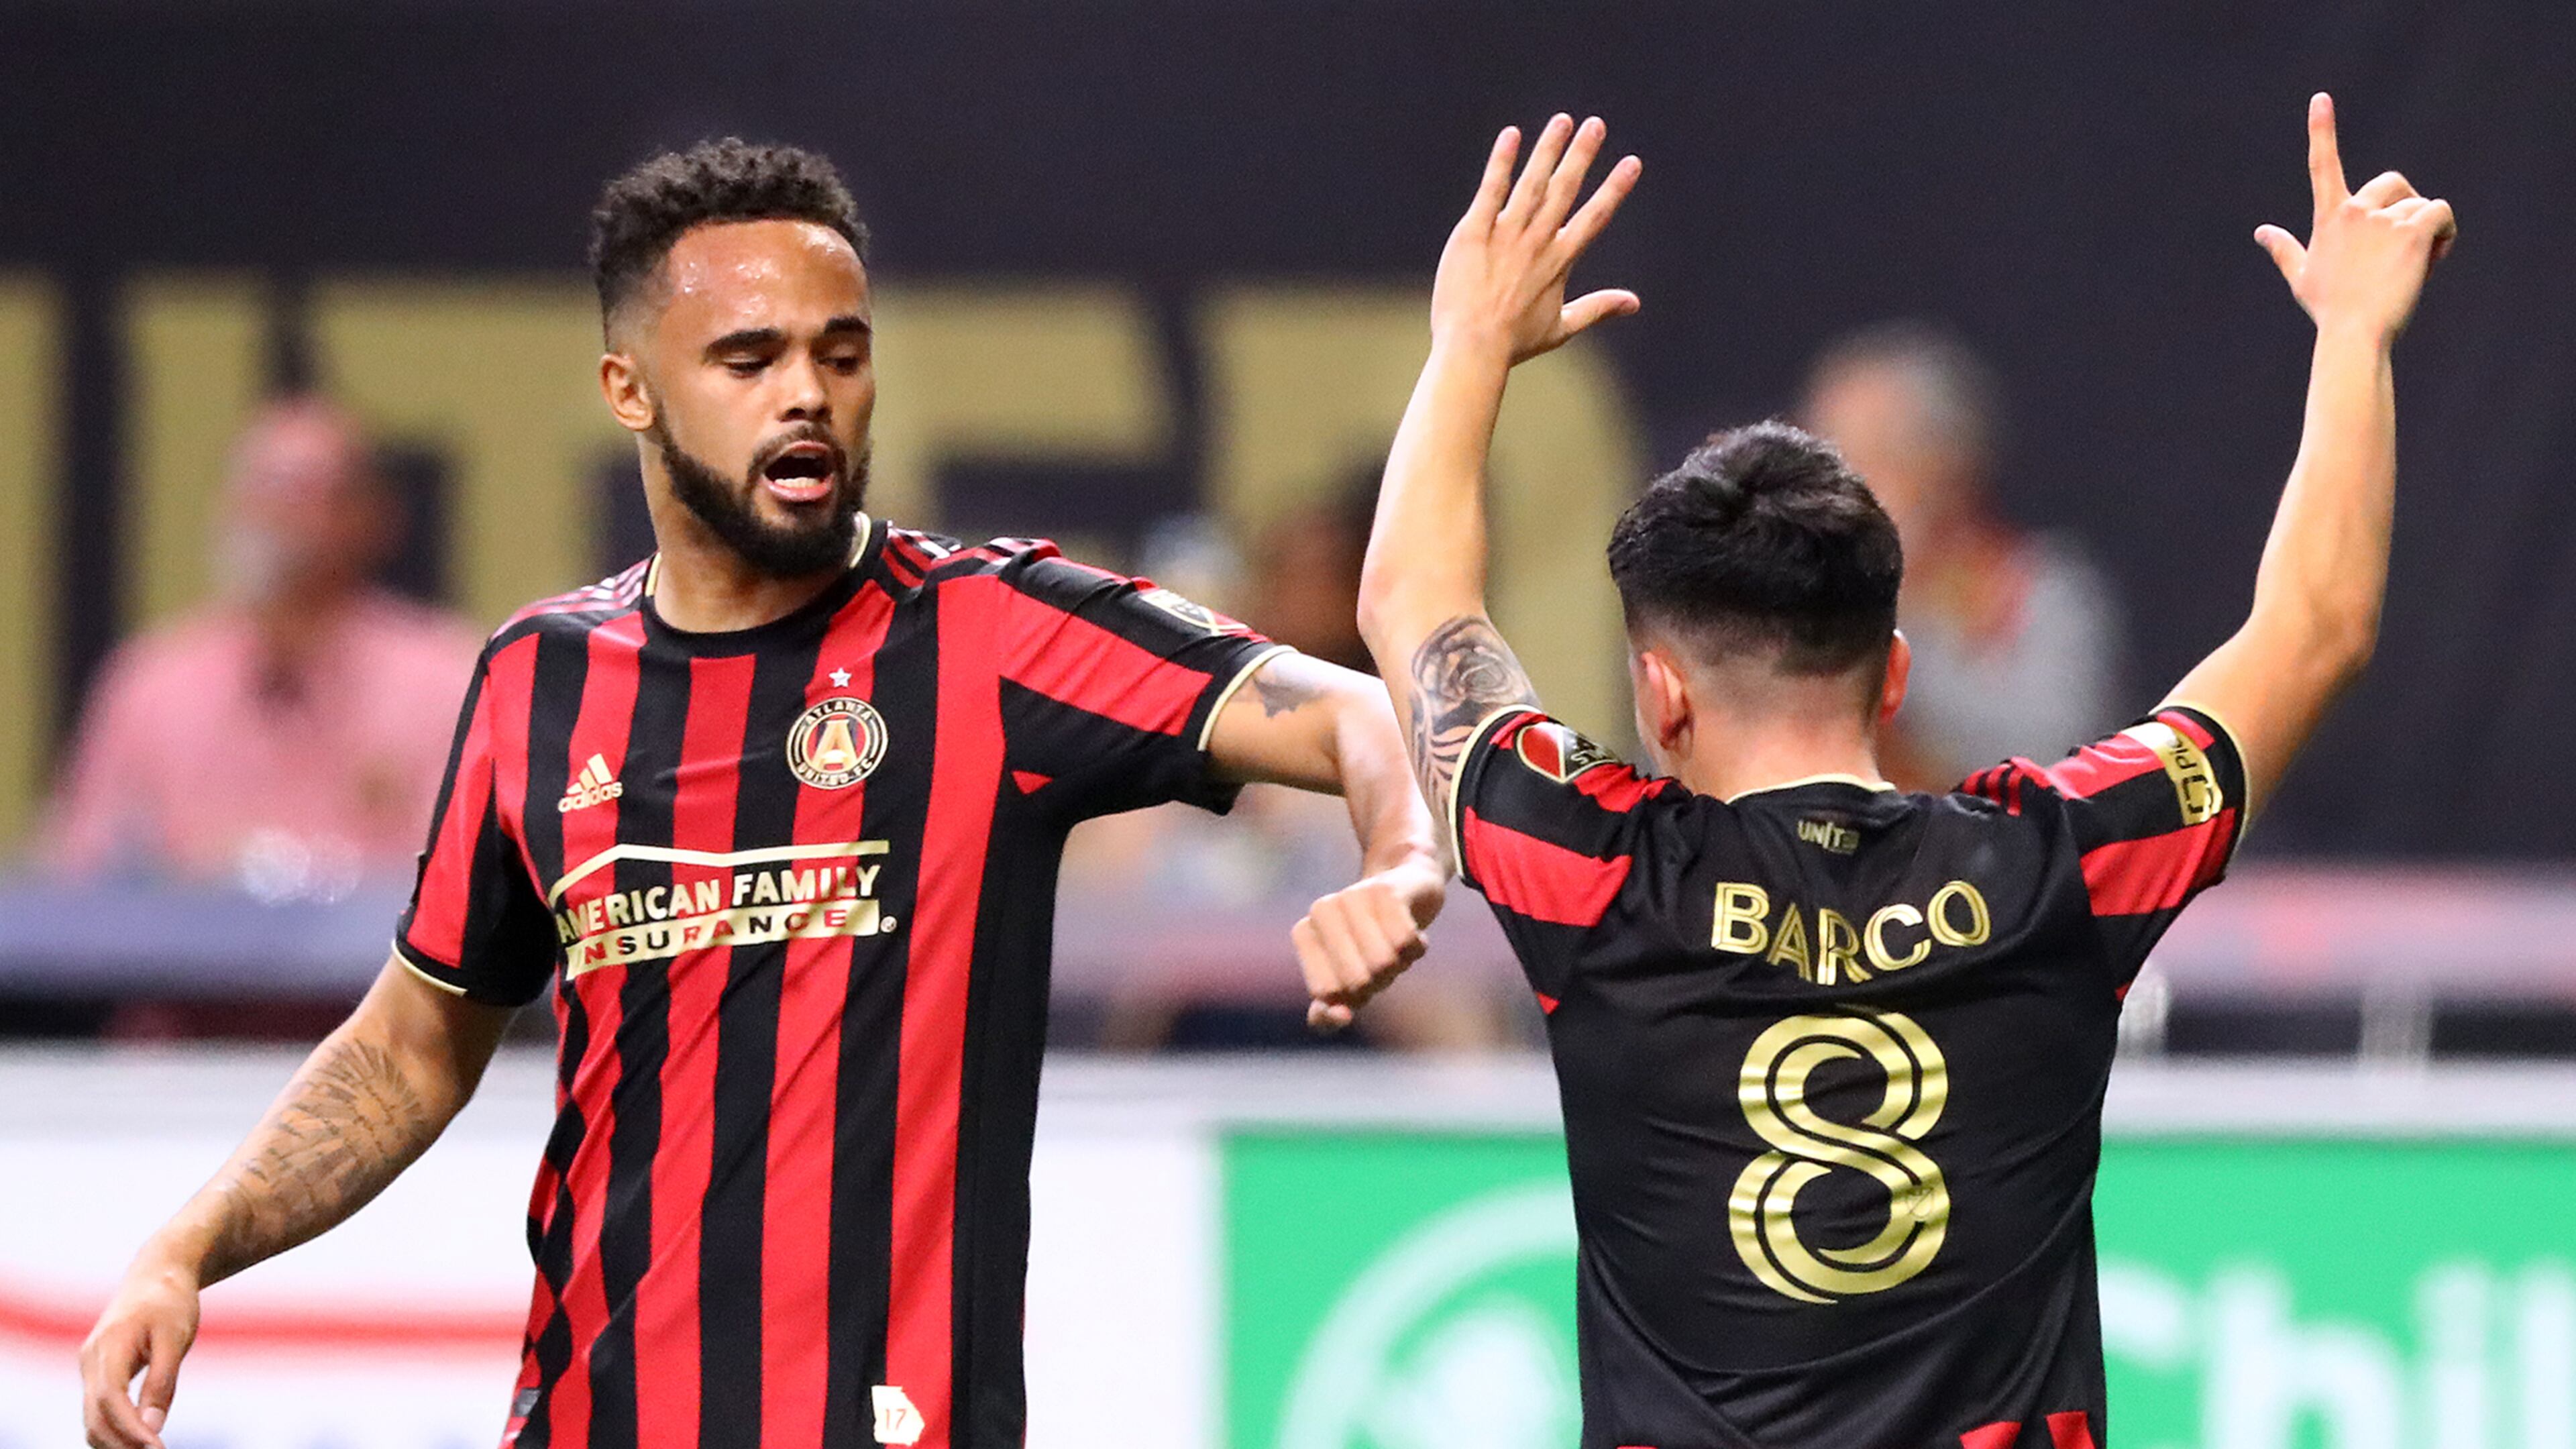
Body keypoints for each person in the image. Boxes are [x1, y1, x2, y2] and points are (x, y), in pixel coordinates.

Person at [80, 140, 1447, 1449]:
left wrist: (1397, 863)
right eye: (750, 358)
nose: (807, 393)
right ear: (632, 390)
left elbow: (1360, 713)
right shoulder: (537, 684)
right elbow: (414, 1046)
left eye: (840, 356)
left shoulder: (990, 634)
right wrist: (189, 1246)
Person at [1355, 103, 2448, 1447]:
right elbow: (2317, 627)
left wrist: (1470, 343)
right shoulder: (2057, 865)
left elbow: (1410, 597)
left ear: (1660, 692)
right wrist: (2354, 332)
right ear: (1896, 676)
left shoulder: (1590, 870)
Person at [44, 395, 479, 892]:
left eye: (310, 493)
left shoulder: (445, 679)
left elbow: (476, 883)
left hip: (382, 965)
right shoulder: (153, 686)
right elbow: (82, 876)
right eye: (264, 489)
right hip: (185, 965)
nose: (282, 516)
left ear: (371, 517)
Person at [1800, 322, 2126, 788]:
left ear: (1948, 465)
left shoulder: (2041, 595)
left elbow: (2055, 759)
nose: (1838, 491)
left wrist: (1881, 632)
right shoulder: (1791, 605)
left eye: (1875, 456)